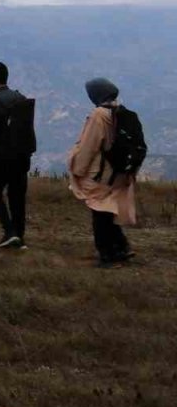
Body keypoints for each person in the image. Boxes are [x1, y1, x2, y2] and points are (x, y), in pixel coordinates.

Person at [68, 78, 138, 267]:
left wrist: (77, 169)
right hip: (118, 172)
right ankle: (122, 247)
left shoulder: (99, 115)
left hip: (101, 173)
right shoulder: (121, 112)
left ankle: (107, 255)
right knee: (107, 211)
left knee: (99, 212)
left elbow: (89, 146)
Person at [0, 62, 37, 250]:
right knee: (17, 196)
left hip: (1, 157)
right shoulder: (20, 98)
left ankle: (9, 231)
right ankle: (19, 237)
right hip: (22, 156)